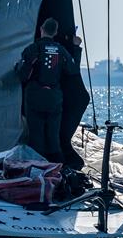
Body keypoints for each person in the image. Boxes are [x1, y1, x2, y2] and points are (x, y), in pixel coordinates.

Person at [14, 17, 81, 163]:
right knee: (53, 137)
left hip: (35, 97)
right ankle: (59, 168)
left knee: (36, 137)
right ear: (56, 32)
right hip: (54, 98)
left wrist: (16, 67)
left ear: (41, 30)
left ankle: (38, 170)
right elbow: (73, 70)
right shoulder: (61, 50)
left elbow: (22, 75)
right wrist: (76, 47)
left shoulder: (33, 48)